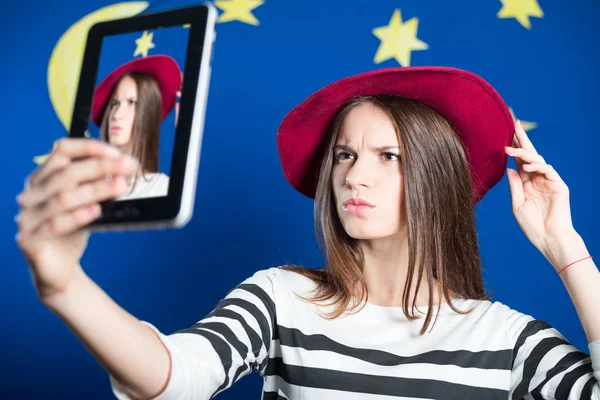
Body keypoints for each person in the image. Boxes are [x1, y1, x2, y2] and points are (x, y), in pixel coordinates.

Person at [15, 66, 599, 399]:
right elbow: (172, 373)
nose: (354, 175)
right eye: (344, 155)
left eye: (389, 156)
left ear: (438, 178)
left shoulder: (512, 342)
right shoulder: (282, 301)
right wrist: (63, 284)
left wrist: (565, 246)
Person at [92, 54, 182, 200]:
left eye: (132, 102)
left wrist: (185, 138)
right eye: (115, 103)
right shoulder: (89, 188)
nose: (116, 115)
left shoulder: (161, 188)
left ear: (148, 114)